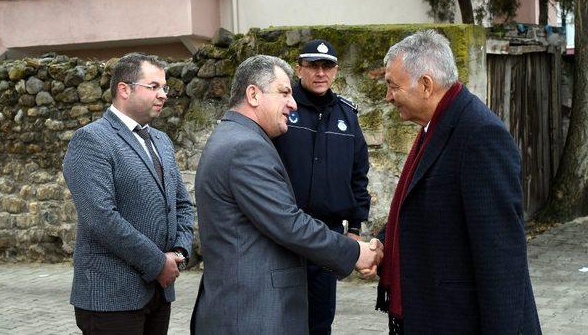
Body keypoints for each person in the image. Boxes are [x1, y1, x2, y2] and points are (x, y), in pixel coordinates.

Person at [191, 55, 383, 334]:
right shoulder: (246, 147)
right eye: (284, 93)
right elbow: (289, 224)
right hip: (252, 314)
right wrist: (356, 252)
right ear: (253, 95)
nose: (293, 104)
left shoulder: (236, 136)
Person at [376, 30, 541, 334]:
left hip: (459, 320)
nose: (388, 96)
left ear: (426, 85)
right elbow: (423, 208)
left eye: (393, 86)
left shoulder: (479, 135)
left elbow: (501, 256)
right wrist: (384, 241)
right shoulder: (437, 125)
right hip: (431, 314)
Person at [63, 53, 194, 335]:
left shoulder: (161, 140)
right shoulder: (92, 139)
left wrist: (180, 253)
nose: (163, 95)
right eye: (154, 86)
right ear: (124, 89)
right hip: (111, 298)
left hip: (158, 294)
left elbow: (181, 204)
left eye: (165, 88)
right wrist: (158, 263)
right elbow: (101, 218)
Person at [273, 39, 370, 335]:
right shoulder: (282, 109)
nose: (320, 73)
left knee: (319, 320)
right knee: (280, 316)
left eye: (327, 66)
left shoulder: (347, 116)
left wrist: (354, 229)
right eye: (313, 65)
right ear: (299, 69)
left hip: (327, 234)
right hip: (284, 234)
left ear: (336, 71)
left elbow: (358, 174)